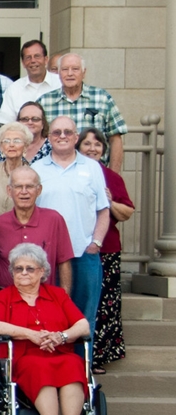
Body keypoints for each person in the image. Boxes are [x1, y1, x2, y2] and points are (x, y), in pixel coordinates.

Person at [0, 243, 90, 415]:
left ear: (42, 271)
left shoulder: (57, 294)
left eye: (30, 268)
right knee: (38, 366)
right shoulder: (4, 297)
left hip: (60, 353)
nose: (23, 273)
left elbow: (83, 326)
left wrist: (61, 336)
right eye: (18, 268)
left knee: (74, 364)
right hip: (23, 358)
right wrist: (29, 334)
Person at [33, 116, 109, 331]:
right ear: (49, 137)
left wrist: (96, 243)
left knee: (84, 318)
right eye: (57, 132)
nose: (62, 136)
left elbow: (103, 210)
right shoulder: (37, 169)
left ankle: (82, 356)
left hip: (83, 252)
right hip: (47, 257)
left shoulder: (92, 168)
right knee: (49, 316)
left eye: (68, 132)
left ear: (76, 137)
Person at [78, 129, 134, 372]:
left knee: (104, 303)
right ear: (78, 147)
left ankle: (98, 357)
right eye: (87, 144)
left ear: (104, 149)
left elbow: (127, 212)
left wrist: (109, 202)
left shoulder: (112, 177)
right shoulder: (72, 173)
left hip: (106, 248)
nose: (92, 148)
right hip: (77, 248)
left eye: (97, 144)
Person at [0, 166, 74, 291]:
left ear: (39, 190)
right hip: (7, 296)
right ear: (9, 191)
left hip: (43, 296)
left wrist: (64, 299)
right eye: (18, 186)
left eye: (29, 186)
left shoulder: (54, 219)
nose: (24, 191)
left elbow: (64, 263)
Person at [38, 53, 128, 172]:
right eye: (65, 69)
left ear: (84, 72)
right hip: (55, 172)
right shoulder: (44, 102)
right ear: (59, 73)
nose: (70, 73)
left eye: (75, 69)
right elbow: (35, 139)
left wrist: (113, 176)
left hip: (95, 172)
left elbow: (115, 138)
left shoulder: (102, 98)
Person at [0, 39, 61, 125]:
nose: (33, 61)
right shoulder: (14, 89)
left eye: (37, 56)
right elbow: (6, 124)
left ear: (46, 60)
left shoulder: (60, 83)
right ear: (23, 63)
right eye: (28, 57)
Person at [0, 122, 34, 220]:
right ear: (1, 147)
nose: (11, 145)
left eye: (17, 141)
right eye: (6, 141)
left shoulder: (31, 174)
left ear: (25, 146)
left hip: (19, 228)